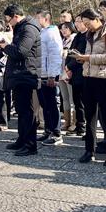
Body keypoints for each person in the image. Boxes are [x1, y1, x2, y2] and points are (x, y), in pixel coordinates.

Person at [76, 8, 106, 167]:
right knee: (89, 116)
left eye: (88, 23)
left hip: (105, 79)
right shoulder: (89, 34)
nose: (86, 26)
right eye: (84, 24)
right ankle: (89, 150)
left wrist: (88, 58)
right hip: (89, 78)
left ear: (96, 19)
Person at [0, 4, 41, 157]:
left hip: (26, 74)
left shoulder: (28, 28)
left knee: (27, 112)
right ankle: (22, 140)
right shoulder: (22, 27)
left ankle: (30, 145)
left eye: (8, 19)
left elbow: (21, 51)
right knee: (21, 111)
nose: (8, 23)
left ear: (16, 16)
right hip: (20, 74)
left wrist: (5, 46)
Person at [35, 10, 64, 146]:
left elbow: (55, 54)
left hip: (49, 74)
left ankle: (56, 133)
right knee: (44, 104)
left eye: (38, 18)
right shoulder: (42, 32)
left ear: (46, 18)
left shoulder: (52, 33)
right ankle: (48, 130)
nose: (36, 20)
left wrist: (53, 74)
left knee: (52, 104)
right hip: (42, 73)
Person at [64, 15, 87, 136]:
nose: (77, 24)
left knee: (82, 102)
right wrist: (67, 66)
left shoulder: (87, 36)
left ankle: (83, 126)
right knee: (76, 101)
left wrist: (70, 66)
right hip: (74, 73)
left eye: (79, 21)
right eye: (76, 21)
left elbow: (81, 54)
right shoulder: (77, 36)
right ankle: (79, 125)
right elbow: (70, 52)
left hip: (82, 72)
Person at [60, 22, 77, 134]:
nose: (64, 30)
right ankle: (67, 122)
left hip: (69, 71)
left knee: (72, 99)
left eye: (66, 28)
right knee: (65, 98)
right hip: (61, 72)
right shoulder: (62, 40)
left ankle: (74, 122)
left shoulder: (74, 39)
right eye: (62, 29)